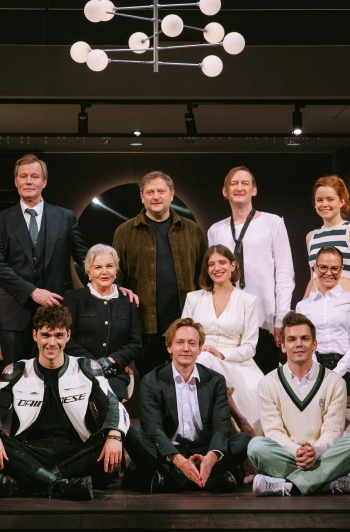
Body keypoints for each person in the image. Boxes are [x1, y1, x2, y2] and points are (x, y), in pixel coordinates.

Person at [0, 306, 130, 500]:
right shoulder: (17, 371)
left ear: (68, 336)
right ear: (35, 335)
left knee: (110, 438)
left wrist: (114, 435)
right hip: (30, 452)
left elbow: (114, 407)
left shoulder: (86, 368)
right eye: (46, 335)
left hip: (75, 452)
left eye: (59, 335)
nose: (52, 342)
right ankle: (64, 486)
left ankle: (30, 483)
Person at [123, 318, 251, 493]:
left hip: (204, 451)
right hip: (168, 452)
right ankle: (208, 479)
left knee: (243, 441)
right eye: (180, 342)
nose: (186, 348)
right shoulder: (151, 380)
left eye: (192, 343)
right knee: (133, 434)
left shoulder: (215, 380)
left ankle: (171, 480)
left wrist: (211, 458)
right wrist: (180, 462)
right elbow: (153, 429)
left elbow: (221, 426)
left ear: (199, 349)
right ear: (169, 347)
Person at [247, 311, 350, 496]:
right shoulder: (267, 383)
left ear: (315, 344)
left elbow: (333, 431)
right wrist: (297, 451)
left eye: (304, 338)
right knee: (256, 446)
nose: (299, 344)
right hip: (289, 454)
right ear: (283, 346)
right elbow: (273, 432)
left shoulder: (335, 382)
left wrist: (315, 450)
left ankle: (287, 486)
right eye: (292, 339)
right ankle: (331, 483)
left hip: (323, 454)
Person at [0, 154, 90, 366]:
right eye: (23, 176)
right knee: (16, 376)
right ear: (16, 181)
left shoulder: (65, 217)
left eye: (34, 176)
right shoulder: (0, 219)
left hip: (56, 310)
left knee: (54, 375)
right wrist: (32, 292)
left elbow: (86, 259)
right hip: (12, 314)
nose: (28, 181)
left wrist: (112, 287)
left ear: (44, 182)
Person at [113, 171, 207, 376]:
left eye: (161, 191)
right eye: (150, 192)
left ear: (172, 194)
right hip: (145, 326)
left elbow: (203, 277)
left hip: (185, 323)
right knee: (151, 383)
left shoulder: (192, 230)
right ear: (142, 196)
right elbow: (116, 279)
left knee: (188, 382)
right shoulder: (125, 232)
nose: (156, 196)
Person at [207, 166, 294, 375]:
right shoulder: (215, 230)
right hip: (228, 322)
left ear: (254, 190)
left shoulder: (273, 223)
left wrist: (281, 319)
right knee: (230, 383)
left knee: (264, 381)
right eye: (234, 184)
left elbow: (284, 274)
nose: (239, 188)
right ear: (225, 191)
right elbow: (213, 278)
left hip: (264, 319)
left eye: (245, 183)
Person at [182, 244, 263, 435]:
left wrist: (222, 355)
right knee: (203, 360)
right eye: (211, 264)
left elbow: (250, 347)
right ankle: (236, 422)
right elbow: (183, 335)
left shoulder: (248, 301)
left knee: (207, 362)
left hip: (236, 364)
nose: (216, 268)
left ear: (233, 265)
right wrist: (198, 350)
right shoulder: (193, 298)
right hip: (197, 359)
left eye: (222, 262)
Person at [62, 244, 142, 401]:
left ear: (116, 270)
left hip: (114, 373)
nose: (104, 272)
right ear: (88, 272)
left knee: (109, 403)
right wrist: (92, 363)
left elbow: (135, 343)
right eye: (98, 267)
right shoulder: (74, 298)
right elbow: (66, 338)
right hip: (78, 372)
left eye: (109, 266)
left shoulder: (127, 301)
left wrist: (113, 360)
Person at [296, 246, 350, 397]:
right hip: (315, 367)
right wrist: (317, 372)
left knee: (331, 389)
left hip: (349, 369)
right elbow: (304, 344)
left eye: (334, 268)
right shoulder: (303, 306)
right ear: (315, 268)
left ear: (341, 270)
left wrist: (335, 374)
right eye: (323, 267)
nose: (328, 273)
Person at [303, 175, 350, 309]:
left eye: (330, 199)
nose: (324, 204)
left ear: (342, 201)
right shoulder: (311, 236)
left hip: (343, 307)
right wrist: (301, 310)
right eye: (319, 200)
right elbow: (313, 278)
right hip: (314, 308)